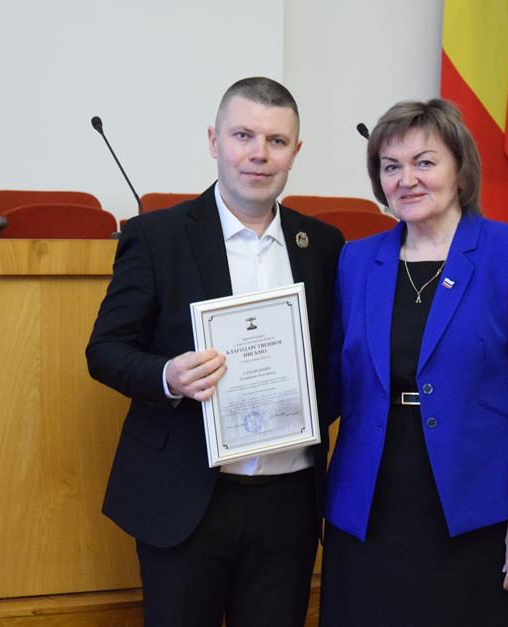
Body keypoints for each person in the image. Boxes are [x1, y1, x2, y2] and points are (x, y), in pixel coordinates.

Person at [86, 77, 344, 627]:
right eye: (243, 135)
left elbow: (335, 363)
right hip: (185, 498)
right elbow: (105, 349)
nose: (259, 153)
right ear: (213, 140)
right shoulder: (158, 236)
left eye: (276, 141)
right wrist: (168, 376)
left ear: (295, 152)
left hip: (289, 503)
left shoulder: (323, 245)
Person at [319, 99, 508, 626]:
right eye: (391, 167)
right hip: (369, 508)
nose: (407, 179)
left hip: (478, 510)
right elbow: (330, 383)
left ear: (460, 170)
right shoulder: (356, 260)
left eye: (424, 162)